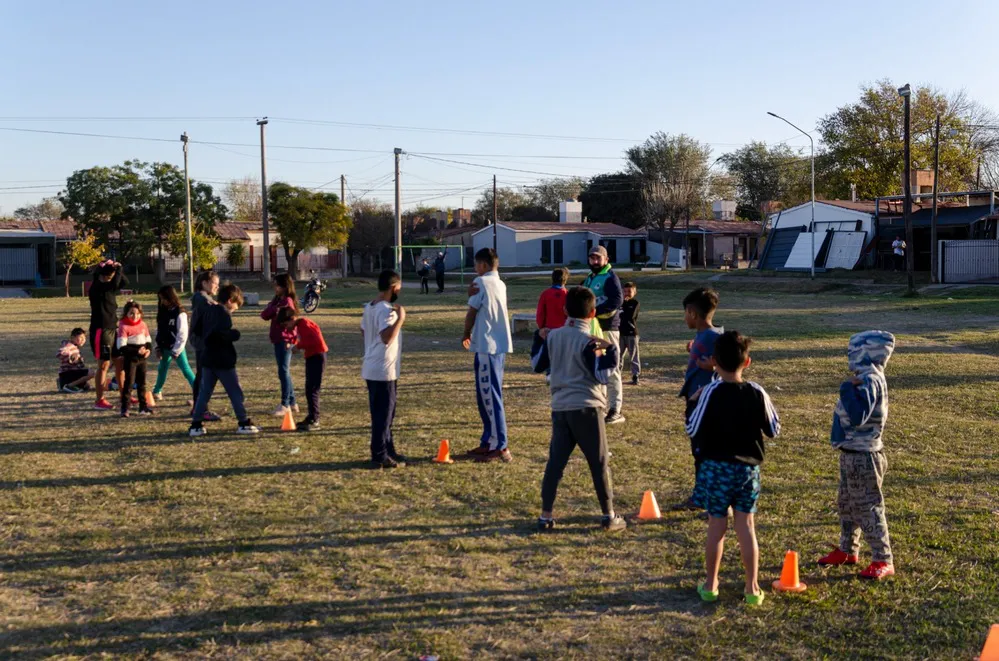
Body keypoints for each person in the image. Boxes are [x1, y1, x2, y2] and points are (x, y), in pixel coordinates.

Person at [685, 330, 780, 605]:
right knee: (746, 526)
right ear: (747, 362)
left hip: (716, 469)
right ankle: (752, 587)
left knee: (716, 526)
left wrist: (692, 403)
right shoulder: (757, 392)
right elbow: (774, 429)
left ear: (714, 362)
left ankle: (711, 584)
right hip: (748, 471)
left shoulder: (709, 392)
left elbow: (692, 428)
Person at [530, 286, 627, 533]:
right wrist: (611, 350)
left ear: (565, 310)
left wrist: (537, 337)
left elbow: (537, 365)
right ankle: (608, 515)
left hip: (560, 407)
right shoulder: (589, 341)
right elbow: (602, 376)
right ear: (593, 313)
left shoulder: (553, 337)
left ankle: (545, 515)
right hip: (587, 407)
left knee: (555, 463)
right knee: (599, 462)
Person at [818, 330, 896, 581]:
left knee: (867, 507)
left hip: (864, 456)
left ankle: (883, 558)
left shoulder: (870, 379)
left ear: (866, 352)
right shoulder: (867, 377)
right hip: (851, 453)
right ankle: (848, 549)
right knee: (847, 504)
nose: (849, 356)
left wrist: (845, 389)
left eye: (853, 351)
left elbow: (858, 415)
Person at [462, 248, 513, 463]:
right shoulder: (500, 283)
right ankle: (489, 440)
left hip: (487, 346)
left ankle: (500, 445)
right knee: (489, 395)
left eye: (476, 265)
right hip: (498, 345)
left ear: (483, 265)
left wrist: (466, 333)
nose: (475, 269)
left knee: (490, 396)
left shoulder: (481, 282)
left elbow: (472, 312)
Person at [189, 284, 260, 437]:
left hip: (207, 357)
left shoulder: (208, 310)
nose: (234, 310)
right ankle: (243, 422)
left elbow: (199, 330)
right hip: (222, 359)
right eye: (235, 307)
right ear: (229, 301)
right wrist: (235, 334)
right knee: (235, 392)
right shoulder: (223, 314)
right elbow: (219, 335)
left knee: (204, 393)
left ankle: (196, 424)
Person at [677, 287, 724, 510]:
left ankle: (703, 497)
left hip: (706, 402)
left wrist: (714, 366)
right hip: (696, 398)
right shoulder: (703, 336)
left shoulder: (716, 337)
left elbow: (735, 361)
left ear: (692, 313)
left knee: (703, 451)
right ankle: (703, 493)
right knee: (699, 450)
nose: (684, 318)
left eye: (685, 314)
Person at [361, 269, 407, 468]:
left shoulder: (369, 306)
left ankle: (388, 449)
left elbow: (363, 330)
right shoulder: (386, 310)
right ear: (393, 287)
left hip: (373, 367)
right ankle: (379, 454)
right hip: (382, 371)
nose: (399, 292)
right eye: (399, 288)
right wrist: (400, 319)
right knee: (383, 415)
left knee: (386, 413)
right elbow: (386, 337)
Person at [581, 245, 625, 424]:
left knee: (612, 368)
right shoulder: (589, 278)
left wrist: (595, 311)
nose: (595, 261)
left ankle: (616, 410)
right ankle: (600, 405)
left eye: (598, 258)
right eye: (592, 258)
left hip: (607, 329)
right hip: (592, 329)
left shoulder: (610, 277)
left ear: (606, 260)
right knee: (596, 367)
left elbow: (617, 300)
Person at [277, 307, 328, 432]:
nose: (286, 328)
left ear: (292, 319)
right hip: (312, 357)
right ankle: (311, 416)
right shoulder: (300, 325)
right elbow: (303, 338)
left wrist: (298, 346)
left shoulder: (304, 324)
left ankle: (315, 419)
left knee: (313, 389)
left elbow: (314, 339)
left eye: (286, 324)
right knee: (309, 389)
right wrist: (294, 343)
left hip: (317, 357)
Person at [88, 259, 128, 410]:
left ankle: (124, 395)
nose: (112, 278)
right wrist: (118, 269)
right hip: (101, 330)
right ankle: (99, 400)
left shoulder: (108, 285)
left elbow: (123, 282)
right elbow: (115, 283)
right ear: (102, 275)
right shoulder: (97, 287)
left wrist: (118, 270)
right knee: (104, 364)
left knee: (119, 362)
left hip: (113, 328)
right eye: (109, 276)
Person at [260, 273, 299, 417]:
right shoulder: (277, 301)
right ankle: (292, 402)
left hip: (285, 340)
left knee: (283, 371)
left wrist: (292, 340)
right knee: (284, 371)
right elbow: (264, 315)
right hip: (278, 339)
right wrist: (273, 309)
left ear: (284, 286)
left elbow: (291, 322)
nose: (274, 287)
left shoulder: (287, 302)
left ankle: (285, 404)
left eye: (277, 285)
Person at [152, 285, 196, 401]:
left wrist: (176, 350)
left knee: (186, 370)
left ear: (171, 297)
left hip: (176, 347)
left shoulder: (180, 313)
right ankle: (157, 391)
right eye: (161, 299)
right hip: (164, 346)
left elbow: (182, 334)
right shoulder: (162, 311)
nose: (162, 301)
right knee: (162, 369)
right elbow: (159, 330)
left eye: (164, 298)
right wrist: (157, 347)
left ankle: (198, 391)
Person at [189, 270, 222, 422]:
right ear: (205, 283)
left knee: (202, 375)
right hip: (203, 342)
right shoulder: (201, 298)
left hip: (203, 341)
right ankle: (201, 409)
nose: (217, 287)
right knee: (204, 376)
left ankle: (198, 407)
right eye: (215, 283)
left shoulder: (203, 298)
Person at [116, 300, 154, 417]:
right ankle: (125, 408)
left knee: (142, 383)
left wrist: (148, 350)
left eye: (137, 313)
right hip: (130, 359)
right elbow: (121, 346)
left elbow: (148, 341)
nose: (135, 316)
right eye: (131, 313)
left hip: (142, 359)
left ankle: (143, 407)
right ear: (126, 313)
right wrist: (136, 351)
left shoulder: (143, 324)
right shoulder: (123, 325)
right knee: (129, 383)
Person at [57, 328, 96, 393]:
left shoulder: (74, 347)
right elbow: (60, 353)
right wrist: (70, 356)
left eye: (84, 338)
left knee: (86, 386)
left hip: (68, 373)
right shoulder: (69, 346)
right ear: (72, 338)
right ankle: (69, 386)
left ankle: (62, 383)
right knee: (91, 373)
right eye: (81, 338)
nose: (83, 340)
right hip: (67, 373)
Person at [536, 267, 569, 337]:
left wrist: (541, 327)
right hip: (565, 330)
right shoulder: (568, 295)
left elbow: (540, 313)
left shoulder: (545, 294)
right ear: (565, 280)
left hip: (548, 330)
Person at [620, 281, 641, 386]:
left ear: (634, 292)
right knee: (618, 355)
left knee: (633, 355)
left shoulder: (635, 303)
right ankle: (617, 374)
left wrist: (623, 306)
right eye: (625, 291)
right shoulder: (619, 302)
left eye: (629, 291)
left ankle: (635, 375)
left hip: (631, 333)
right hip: (620, 332)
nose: (627, 293)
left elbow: (630, 316)